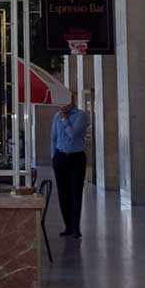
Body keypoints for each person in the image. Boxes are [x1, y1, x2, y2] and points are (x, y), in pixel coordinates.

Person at [50, 100, 91, 238]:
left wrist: (65, 119)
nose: (62, 106)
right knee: (63, 194)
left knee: (75, 193)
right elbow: (53, 138)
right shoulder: (57, 116)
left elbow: (73, 134)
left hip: (76, 158)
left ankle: (76, 228)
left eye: (64, 102)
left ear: (71, 102)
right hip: (60, 157)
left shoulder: (81, 115)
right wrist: (53, 157)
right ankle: (67, 226)